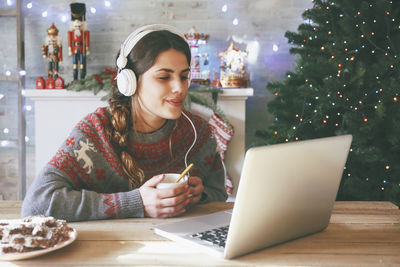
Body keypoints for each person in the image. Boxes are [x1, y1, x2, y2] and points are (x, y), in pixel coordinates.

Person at [22, 24, 228, 222]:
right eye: (164, 77)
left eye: (184, 77)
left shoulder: (199, 132)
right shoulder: (96, 130)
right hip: (109, 249)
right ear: (130, 82)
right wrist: (136, 203)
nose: (179, 88)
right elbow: (36, 205)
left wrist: (199, 196)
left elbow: (219, 193)